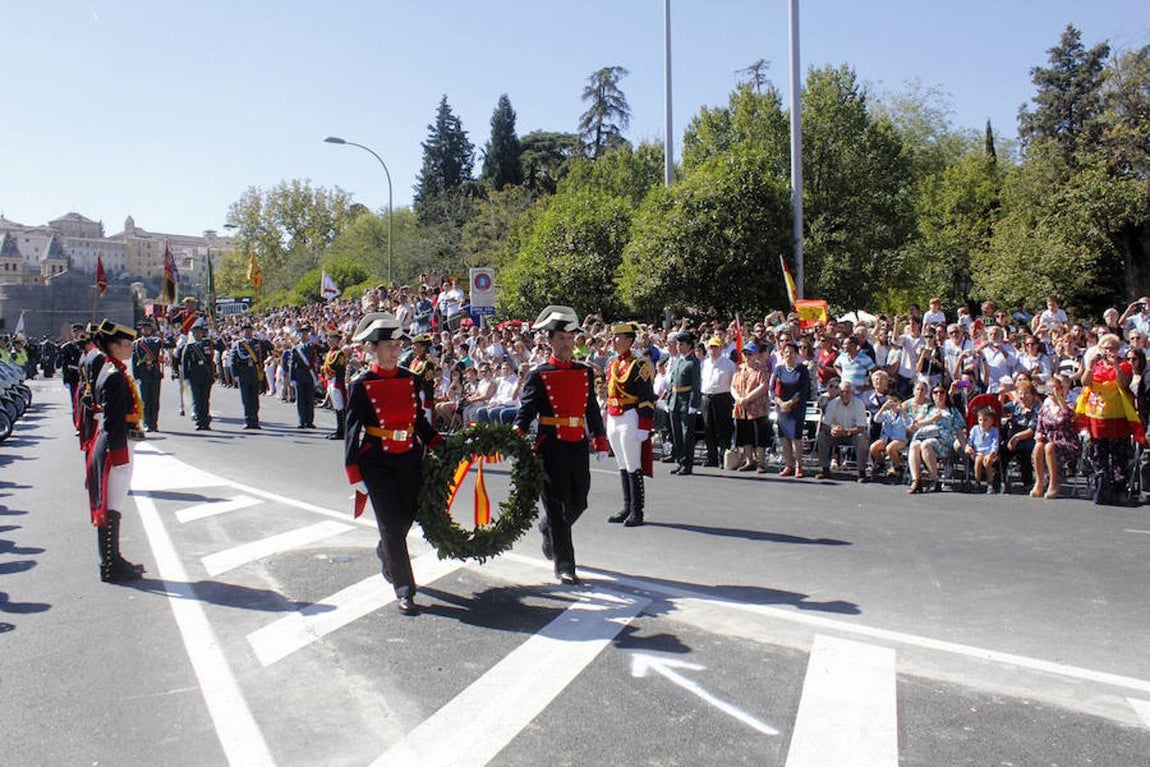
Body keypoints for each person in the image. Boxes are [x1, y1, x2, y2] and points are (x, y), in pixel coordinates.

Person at [344, 313, 439, 615]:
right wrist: (353, 470)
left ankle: (386, 549)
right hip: (377, 461)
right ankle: (405, 589)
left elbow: (418, 422)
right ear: (372, 348)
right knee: (389, 522)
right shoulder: (362, 384)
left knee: (406, 516)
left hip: (409, 456)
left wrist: (440, 444)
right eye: (389, 346)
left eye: (398, 345)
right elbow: (351, 430)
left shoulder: (410, 379)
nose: (395, 351)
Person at [513, 305, 608, 585]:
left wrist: (600, 439)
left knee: (579, 501)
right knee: (556, 505)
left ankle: (547, 529)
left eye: (570, 338)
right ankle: (565, 565)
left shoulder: (585, 372)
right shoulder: (539, 374)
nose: (567, 343)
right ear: (551, 341)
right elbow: (527, 411)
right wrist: (516, 435)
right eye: (562, 339)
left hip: (577, 443)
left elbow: (591, 408)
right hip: (550, 445)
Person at [85, 320, 146, 582]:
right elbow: (113, 419)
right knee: (111, 506)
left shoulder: (114, 370)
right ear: (113, 346)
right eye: (126, 344)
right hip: (114, 446)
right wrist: (119, 454)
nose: (130, 348)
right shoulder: (113, 375)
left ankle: (114, 558)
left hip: (116, 441)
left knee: (113, 506)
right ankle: (109, 566)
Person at [1077, 333, 1144, 504]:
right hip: (1097, 418)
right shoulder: (1096, 365)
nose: (1109, 351)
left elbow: (1124, 384)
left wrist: (1117, 367)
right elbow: (1085, 383)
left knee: (1118, 455)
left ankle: (1119, 489)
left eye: (1112, 348)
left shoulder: (1123, 365)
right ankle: (1101, 486)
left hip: (1117, 418)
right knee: (1098, 454)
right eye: (1106, 348)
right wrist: (1090, 367)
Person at [604, 321, 656, 526]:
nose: (614, 341)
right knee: (622, 465)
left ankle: (637, 510)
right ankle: (627, 506)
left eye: (619, 337)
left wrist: (644, 425)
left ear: (629, 340)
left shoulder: (639, 364)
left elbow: (646, 396)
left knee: (634, 465)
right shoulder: (614, 363)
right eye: (614, 337)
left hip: (630, 416)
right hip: (614, 415)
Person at [906, 385, 966, 493]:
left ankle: (935, 479)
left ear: (946, 394)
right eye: (935, 392)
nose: (939, 395)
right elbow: (917, 423)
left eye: (942, 392)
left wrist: (965, 446)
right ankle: (916, 481)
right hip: (925, 435)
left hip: (943, 441)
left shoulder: (952, 410)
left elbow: (959, 430)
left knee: (926, 444)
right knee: (915, 445)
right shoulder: (927, 408)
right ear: (932, 395)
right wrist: (932, 419)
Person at [1031, 374, 1080, 499]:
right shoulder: (1044, 409)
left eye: (1056, 388)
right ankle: (1039, 482)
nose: (1053, 392)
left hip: (1066, 440)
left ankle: (1053, 483)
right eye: (1050, 389)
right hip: (1049, 440)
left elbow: (1068, 416)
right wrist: (1038, 435)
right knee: (1039, 446)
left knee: (1049, 447)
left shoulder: (1069, 405)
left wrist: (1060, 399)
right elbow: (1039, 427)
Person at [770, 340, 810, 477]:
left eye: (792, 352)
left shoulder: (802, 370)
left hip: (796, 407)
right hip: (781, 408)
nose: (789, 355)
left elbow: (804, 390)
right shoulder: (778, 369)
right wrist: (781, 403)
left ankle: (799, 466)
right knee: (783, 437)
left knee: (795, 437)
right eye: (786, 352)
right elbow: (772, 390)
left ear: (796, 354)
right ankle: (789, 465)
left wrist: (790, 403)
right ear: (783, 353)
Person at [815, 381, 869, 482]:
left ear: (852, 392)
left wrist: (847, 432)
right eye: (842, 392)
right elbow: (825, 424)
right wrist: (832, 429)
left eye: (847, 392)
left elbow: (862, 427)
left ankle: (862, 472)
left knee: (861, 437)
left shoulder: (859, 404)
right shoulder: (832, 403)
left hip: (853, 435)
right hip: (836, 434)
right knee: (822, 436)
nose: (844, 394)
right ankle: (825, 469)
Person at [665, 331, 702, 476]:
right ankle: (679, 461)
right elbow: (672, 382)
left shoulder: (693, 362)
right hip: (675, 400)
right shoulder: (678, 361)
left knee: (687, 435)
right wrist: (669, 400)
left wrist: (694, 404)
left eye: (682, 344)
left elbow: (695, 384)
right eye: (678, 344)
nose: (679, 347)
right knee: (677, 434)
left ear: (688, 346)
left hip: (686, 401)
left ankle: (687, 464)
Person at [731, 343, 771, 473]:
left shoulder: (761, 369)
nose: (747, 356)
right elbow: (732, 386)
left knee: (759, 436)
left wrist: (748, 398)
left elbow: (763, 386)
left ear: (756, 355)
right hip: (742, 407)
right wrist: (738, 398)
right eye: (745, 354)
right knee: (745, 434)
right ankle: (749, 461)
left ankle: (761, 462)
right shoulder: (739, 369)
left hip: (757, 407)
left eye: (750, 354)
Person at [700, 336, 736, 467]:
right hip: (706, 398)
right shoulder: (704, 363)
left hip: (722, 398)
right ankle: (712, 458)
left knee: (723, 429)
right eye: (710, 347)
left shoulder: (728, 364)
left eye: (715, 347)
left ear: (721, 348)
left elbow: (733, 382)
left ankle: (723, 458)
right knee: (708, 428)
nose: (712, 350)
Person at [182, 318, 216, 430]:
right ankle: (198, 421)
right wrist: (186, 377)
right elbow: (184, 362)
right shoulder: (190, 347)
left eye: (200, 332)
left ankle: (206, 422)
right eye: (195, 333)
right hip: (194, 375)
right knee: (197, 400)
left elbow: (220, 348)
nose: (198, 334)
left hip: (206, 374)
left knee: (205, 399)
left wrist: (215, 336)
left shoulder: (208, 343)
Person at [131, 319, 165, 432]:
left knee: (155, 399)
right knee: (145, 400)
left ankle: (154, 424)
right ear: (141, 330)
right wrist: (136, 377)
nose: (146, 330)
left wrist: (164, 333)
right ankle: (146, 422)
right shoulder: (137, 344)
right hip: (143, 373)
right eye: (144, 329)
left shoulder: (157, 341)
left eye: (149, 328)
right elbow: (134, 362)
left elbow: (171, 344)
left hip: (155, 373)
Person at [231, 322, 265, 429]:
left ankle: (255, 420)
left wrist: (263, 338)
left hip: (254, 372)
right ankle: (247, 420)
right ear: (242, 332)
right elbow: (233, 360)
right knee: (246, 398)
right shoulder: (238, 344)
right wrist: (235, 374)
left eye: (250, 330)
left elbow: (270, 347)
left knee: (255, 398)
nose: (248, 333)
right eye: (246, 331)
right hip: (244, 372)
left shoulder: (257, 342)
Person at [965, 407, 1001, 493]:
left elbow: (995, 444)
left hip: (990, 453)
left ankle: (990, 483)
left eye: (985, 420)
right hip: (978, 452)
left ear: (991, 421)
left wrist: (991, 454)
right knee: (978, 460)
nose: (982, 422)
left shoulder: (994, 431)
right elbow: (970, 441)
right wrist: (969, 446)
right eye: (980, 420)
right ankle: (977, 482)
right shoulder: (975, 429)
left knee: (987, 462)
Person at [321, 330, 348, 439]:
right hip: (330, 380)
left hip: (336, 380)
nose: (329, 340)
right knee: (336, 406)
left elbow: (339, 368)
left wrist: (335, 379)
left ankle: (342, 431)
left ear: (336, 340)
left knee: (340, 407)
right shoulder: (330, 352)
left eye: (331, 338)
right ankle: (338, 430)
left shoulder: (339, 353)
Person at [290, 328, 319, 428]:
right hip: (299, 374)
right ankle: (302, 421)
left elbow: (315, 362)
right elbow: (292, 364)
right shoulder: (295, 348)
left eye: (306, 334)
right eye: (302, 334)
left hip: (309, 375)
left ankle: (310, 421)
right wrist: (292, 378)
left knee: (310, 399)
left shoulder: (312, 346)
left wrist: (316, 376)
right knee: (301, 399)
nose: (304, 336)